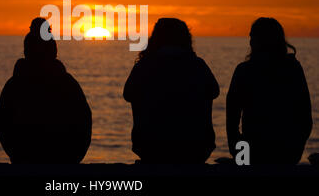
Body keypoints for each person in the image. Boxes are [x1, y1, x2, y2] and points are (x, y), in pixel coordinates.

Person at [124, 18, 219, 163]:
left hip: (151, 148)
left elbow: (128, 94)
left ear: (155, 39)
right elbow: (214, 91)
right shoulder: (198, 66)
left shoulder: (144, 67)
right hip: (196, 148)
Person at [0, 18, 92, 163]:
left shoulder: (15, 85)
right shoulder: (67, 84)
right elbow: (83, 121)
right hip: (61, 158)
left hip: (25, 158)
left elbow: (3, 123)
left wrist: (17, 155)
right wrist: (72, 158)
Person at [227, 17, 312, 164]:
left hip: (261, 153)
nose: (250, 42)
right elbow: (305, 119)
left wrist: (241, 156)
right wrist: (294, 151)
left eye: (253, 37)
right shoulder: (293, 69)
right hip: (286, 153)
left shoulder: (244, 71)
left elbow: (232, 120)